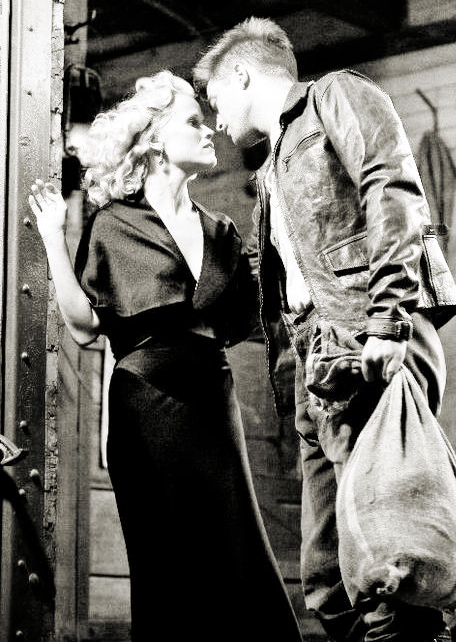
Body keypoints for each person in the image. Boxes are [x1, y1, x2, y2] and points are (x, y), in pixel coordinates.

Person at [192, 18, 456, 642]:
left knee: (392, 554)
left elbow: (391, 187)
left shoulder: (335, 95)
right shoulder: (273, 168)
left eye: (216, 100)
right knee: (329, 573)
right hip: (313, 357)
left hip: (365, 334)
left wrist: (387, 319)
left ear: (242, 75)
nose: (217, 120)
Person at [28, 70, 303, 642]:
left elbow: (253, 318)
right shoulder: (114, 223)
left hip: (215, 402)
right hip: (145, 410)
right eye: (194, 122)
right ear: (155, 140)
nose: (210, 132)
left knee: (241, 558)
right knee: (167, 571)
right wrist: (55, 238)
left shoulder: (222, 232)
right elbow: (83, 328)